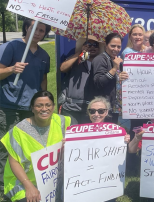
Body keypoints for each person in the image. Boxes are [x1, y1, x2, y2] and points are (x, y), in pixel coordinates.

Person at [0, 18, 51, 193]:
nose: (38, 33)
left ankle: (27, 182)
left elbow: (43, 81)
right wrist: (11, 70)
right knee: (7, 148)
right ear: (27, 28)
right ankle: (4, 187)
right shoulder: (12, 47)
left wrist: (44, 103)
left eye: (42, 30)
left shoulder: (44, 55)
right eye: (34, 28)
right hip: (9, 106)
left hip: (31, 110)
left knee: (28, 148)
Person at [1, 91, 71, 202]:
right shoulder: (19, 130)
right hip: (23, 180)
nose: (44, 109)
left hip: (51, 180)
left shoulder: (63, 121)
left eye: (48, 105)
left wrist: (70, 143)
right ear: (32, 108)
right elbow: (13, 162)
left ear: (53, 107)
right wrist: (28, 186)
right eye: (39, 106)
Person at [59, 35, 104, 125]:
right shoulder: (76, 59)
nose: (92, 47)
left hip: (92, 110)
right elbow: (62, 68)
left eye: (95, 45)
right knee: (71, 137)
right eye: (88, 44)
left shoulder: (102, 63)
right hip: (71, 108)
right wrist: (80, 53)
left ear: (99, 48)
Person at [93, 33, 129, 123]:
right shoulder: (100, 59)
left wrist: (120, 78)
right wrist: (114, 69)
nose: (116, 49)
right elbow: (98, 82)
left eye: (118, 47)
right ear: (106, 45)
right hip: (102, 110)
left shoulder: (115, 60)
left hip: (114, 108)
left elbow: (113, 81)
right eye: (113, 46)